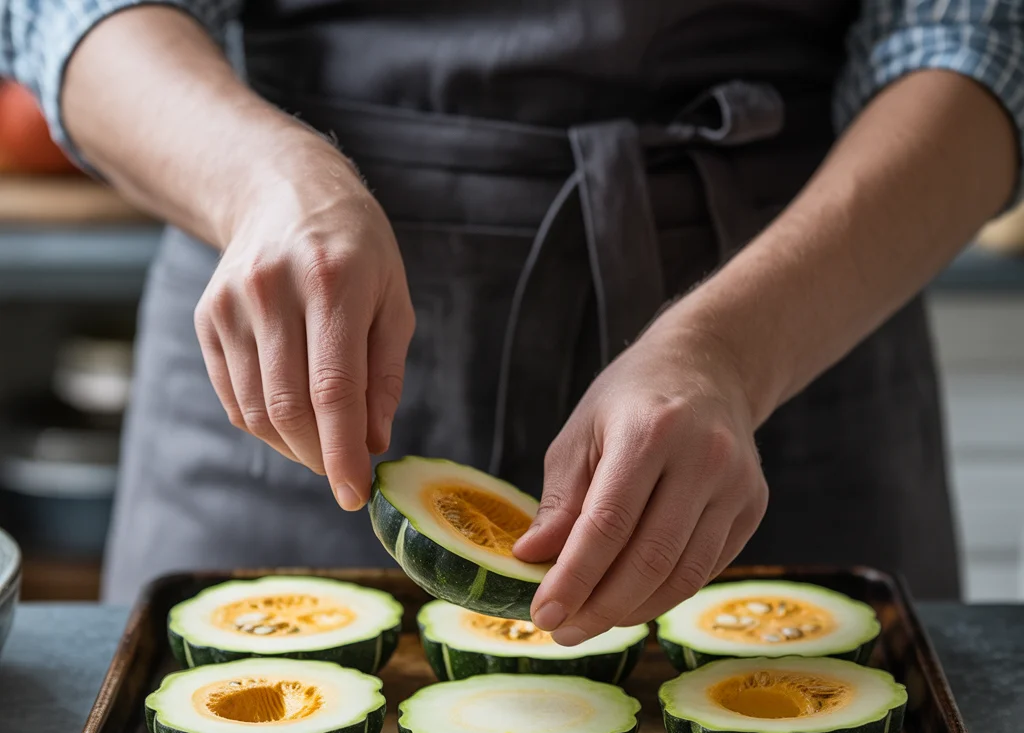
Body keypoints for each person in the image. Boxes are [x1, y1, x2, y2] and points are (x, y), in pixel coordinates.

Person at [2, 2, 1020, 645]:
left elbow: (974, 35)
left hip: (797, 323)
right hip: (284, 318)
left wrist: (731, 353)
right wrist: (261, 181)